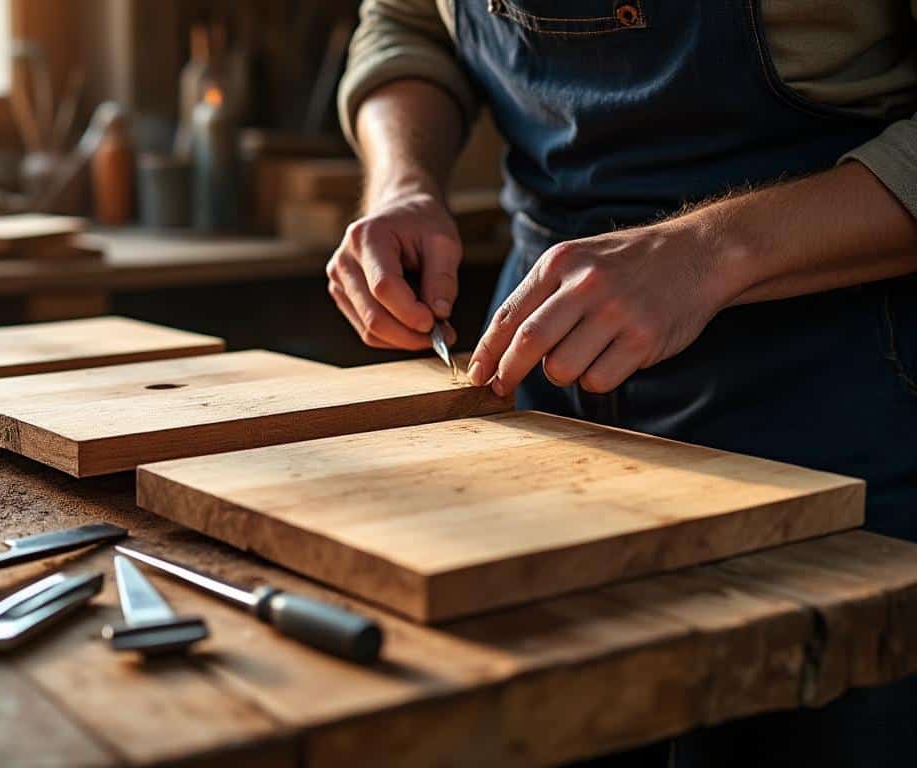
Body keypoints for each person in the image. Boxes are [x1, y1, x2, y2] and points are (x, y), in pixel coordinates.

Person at [329, 1, 917, 765]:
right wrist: (400, 183)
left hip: (837, 397)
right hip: (542, 397)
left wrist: (706, 251)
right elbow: (407, 25)